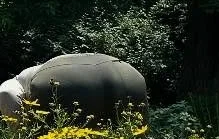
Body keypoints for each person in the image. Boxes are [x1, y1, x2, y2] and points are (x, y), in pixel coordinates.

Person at [0, 53, 148, 128]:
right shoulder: (32, 72)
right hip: (123, 69)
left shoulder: (12, 84)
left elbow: (6, 94)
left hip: (62, 77)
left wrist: (20, 135)